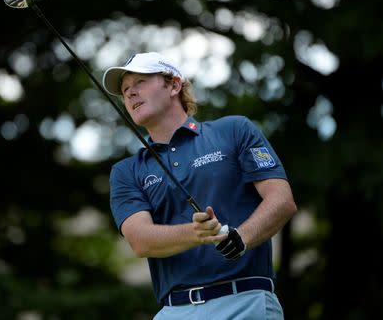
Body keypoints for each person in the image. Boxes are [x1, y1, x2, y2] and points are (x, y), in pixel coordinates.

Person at [102, 52, 297, 319]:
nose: (130, 94)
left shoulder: (234, 130)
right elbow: (140, 240)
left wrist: (241, 238)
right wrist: (197, 233)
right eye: (125, 90)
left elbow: (281, 200)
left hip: (245, 301)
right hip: (173, 311)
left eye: (140, 82)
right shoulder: (126, 171)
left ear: (174, 85)